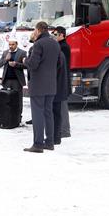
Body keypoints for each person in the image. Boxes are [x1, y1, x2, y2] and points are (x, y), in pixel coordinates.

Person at [22, 21, 60, 153]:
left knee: (37, 113)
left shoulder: (38, 44)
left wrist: (25, 60)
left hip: (38, 85)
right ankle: (49, 142)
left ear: (38, 30)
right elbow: (59, 64)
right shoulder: (55, 43)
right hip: (51, 84)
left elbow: (33, 64)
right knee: (48, 113)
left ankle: (38, 144)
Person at [0, 39, 27, 122]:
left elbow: (26, 65)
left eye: (12, 44)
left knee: (18, 100)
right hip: (7, 80)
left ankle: (18, 118)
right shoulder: (5, 52)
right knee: (6, 100)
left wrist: (16, 64)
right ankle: (7, 118)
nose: (11, 46)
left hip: (17, 81)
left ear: (16, 44)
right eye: (9, 44)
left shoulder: (22, 53)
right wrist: (6, 59)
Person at [53, 26, 72, 139]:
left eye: (56, 34)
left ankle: (65, 131)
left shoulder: (63, 47)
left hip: (62, 81)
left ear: (62, 35)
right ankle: (61, 129)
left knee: (62, 107)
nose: (54, 36)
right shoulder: (60, 46)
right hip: (61, 80)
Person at [52, 50, 69, 145]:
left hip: (56, 89)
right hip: (59, 88)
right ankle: (57, 137)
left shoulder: (57, 55)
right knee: (57, 114)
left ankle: (56, 137)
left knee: (56, 114)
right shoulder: (60, 54)